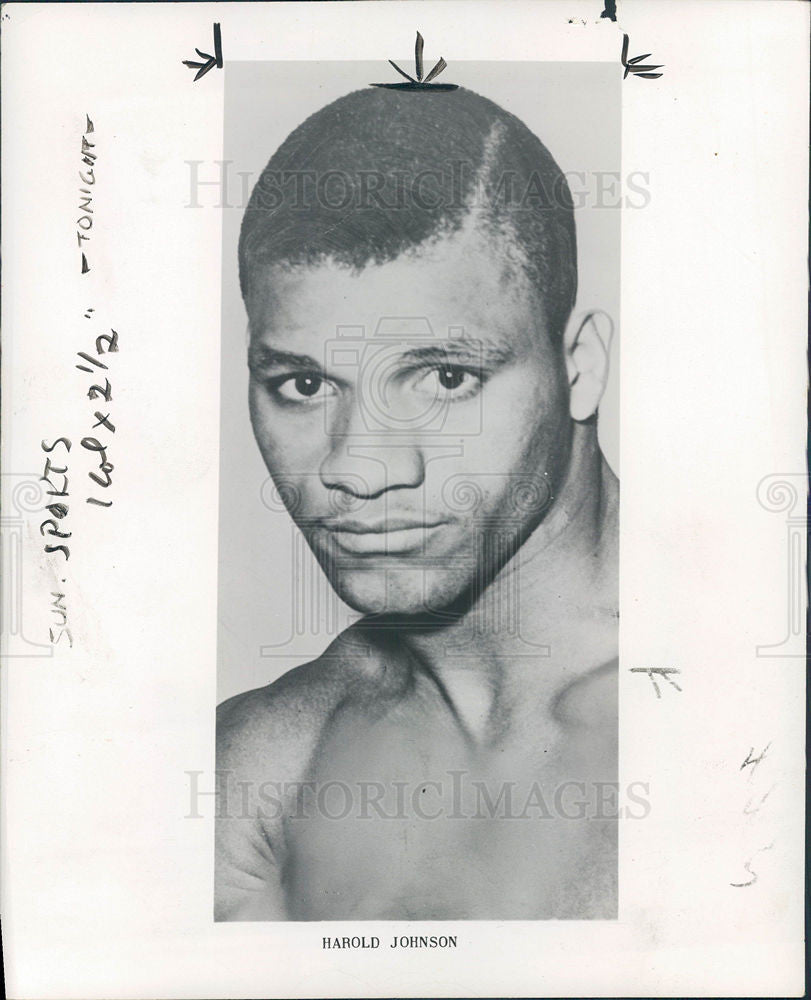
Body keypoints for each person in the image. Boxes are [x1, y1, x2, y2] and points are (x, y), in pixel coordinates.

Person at [216, 83, 618, 921]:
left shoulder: (745, 710)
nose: (361, 469)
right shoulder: (262, 762)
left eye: (444, 378)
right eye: (303, 383)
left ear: (578, 366)